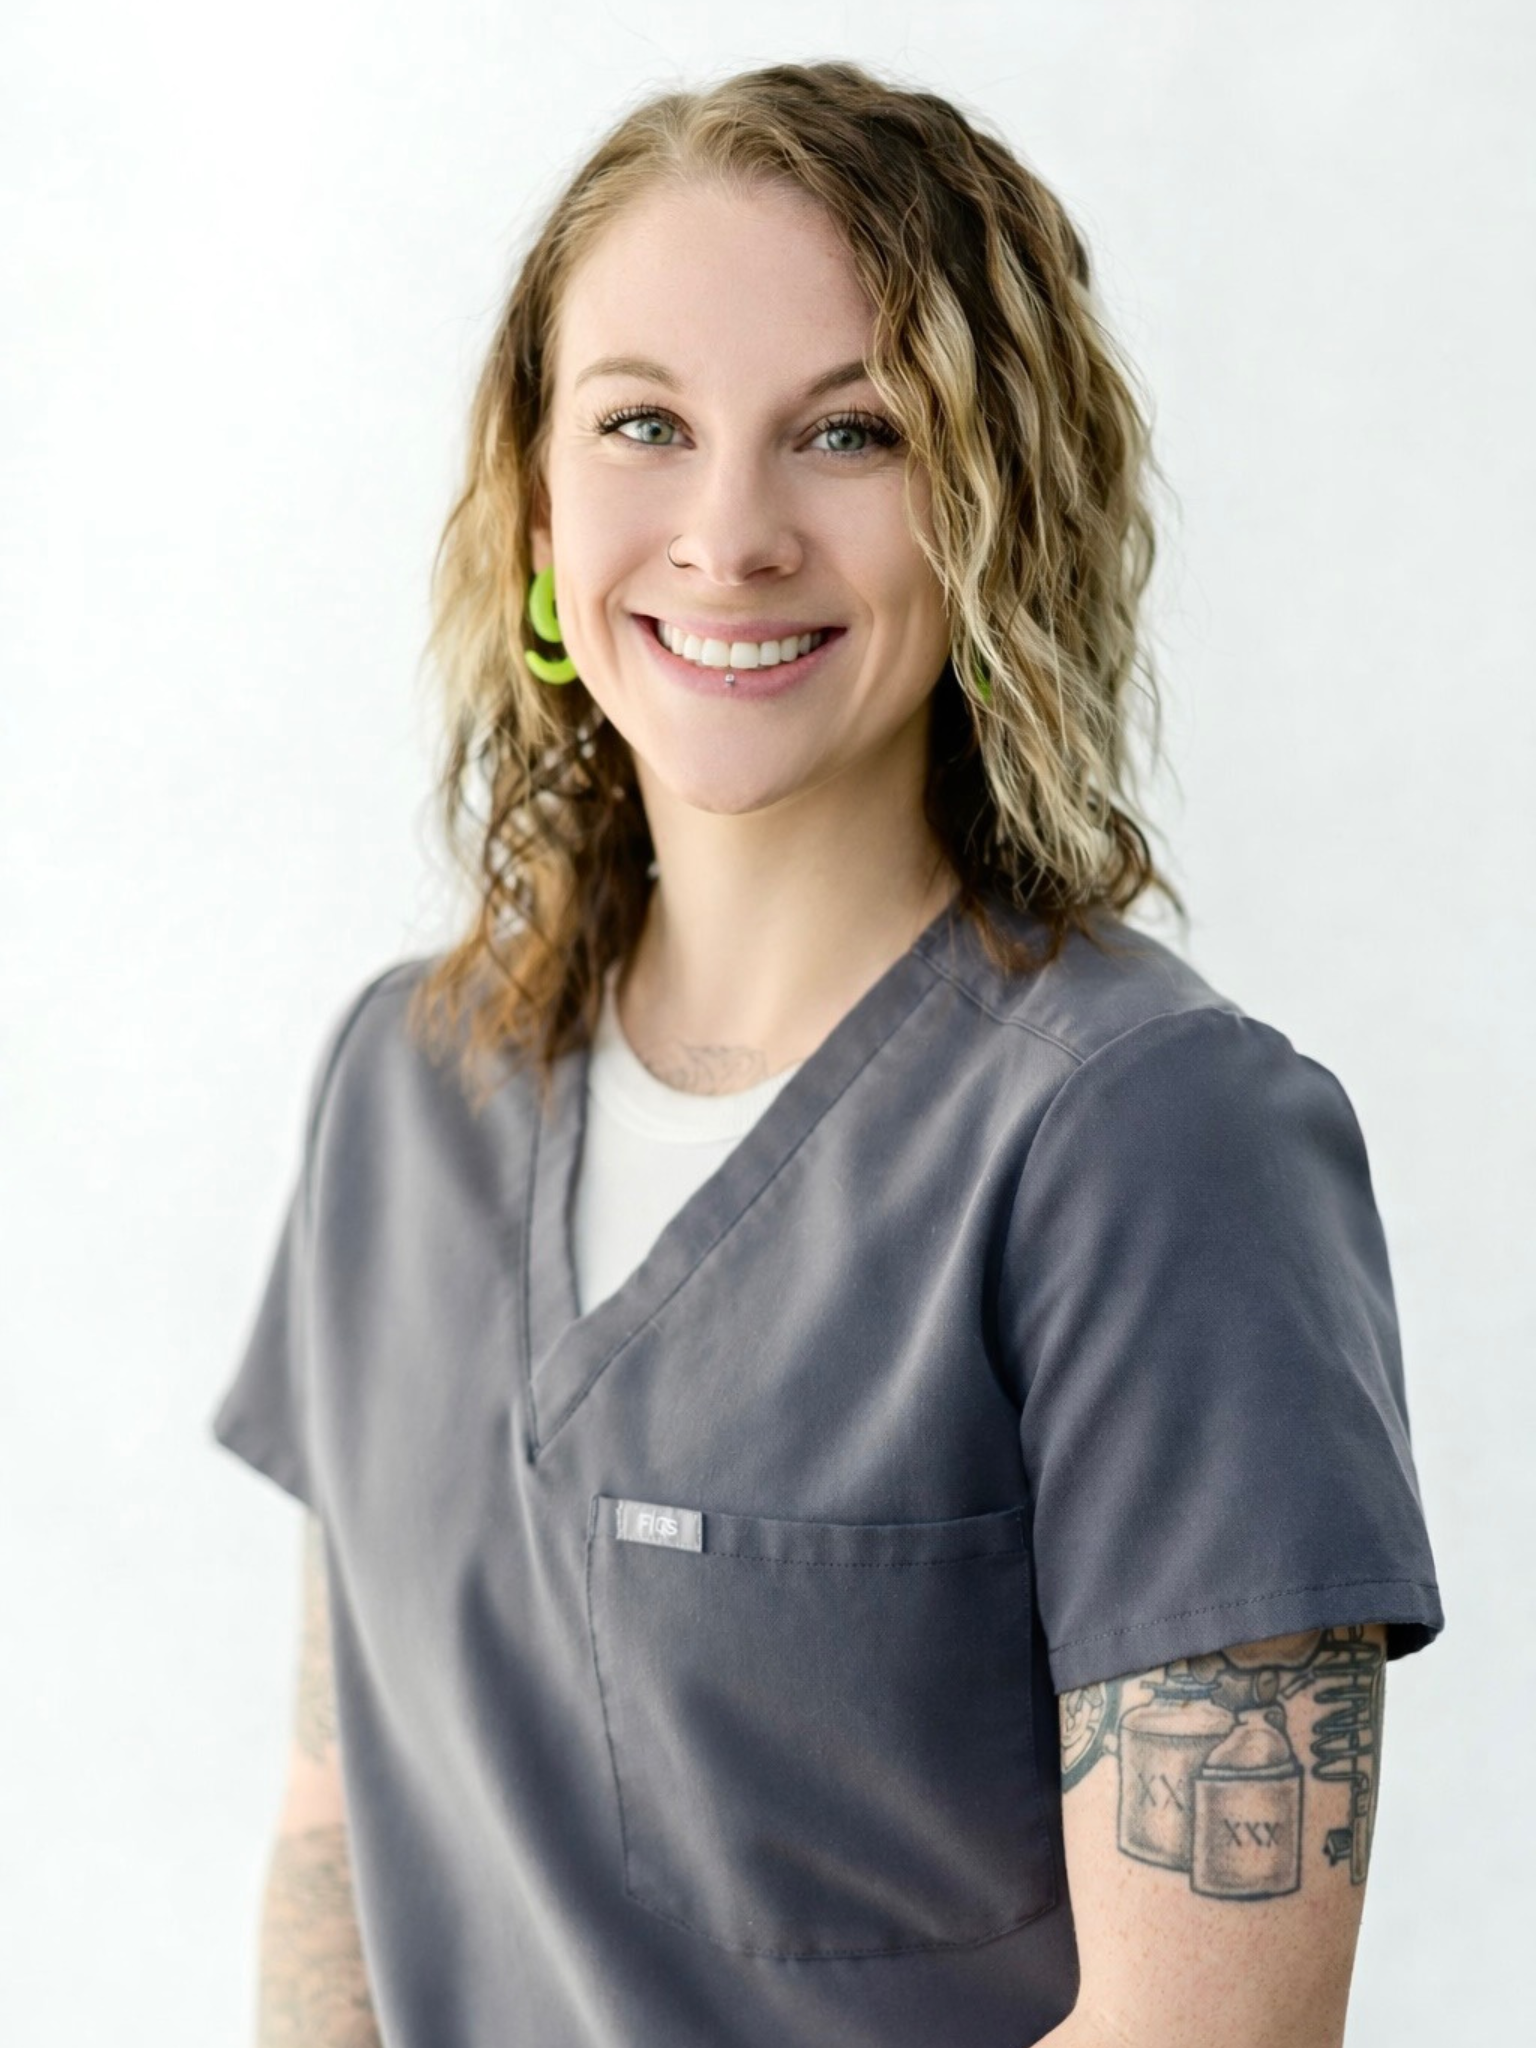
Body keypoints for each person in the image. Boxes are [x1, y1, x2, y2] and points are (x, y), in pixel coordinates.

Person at [210, 59, 1444, 2048]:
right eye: (641, 425)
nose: (729, 533)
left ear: (994, 509)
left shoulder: (1149, 1142)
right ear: (536, 508)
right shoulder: (400, 1092)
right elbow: (340, 1830)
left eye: (849, 433)